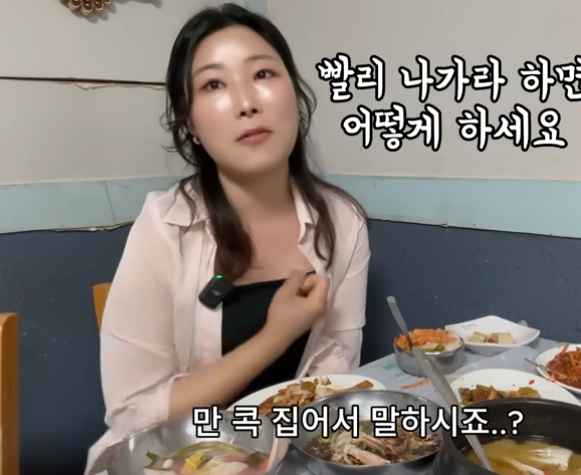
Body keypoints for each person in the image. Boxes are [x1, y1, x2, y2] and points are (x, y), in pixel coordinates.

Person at [84, 4, 369, 473]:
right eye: (214, 84)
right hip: (172, 459)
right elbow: (133, 413)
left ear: (295, 96)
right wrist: (277, 334)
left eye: (263, 73)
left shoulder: (342, 221)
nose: (246, 102)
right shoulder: (165, 225)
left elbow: (334, 370)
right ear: (190, 125)